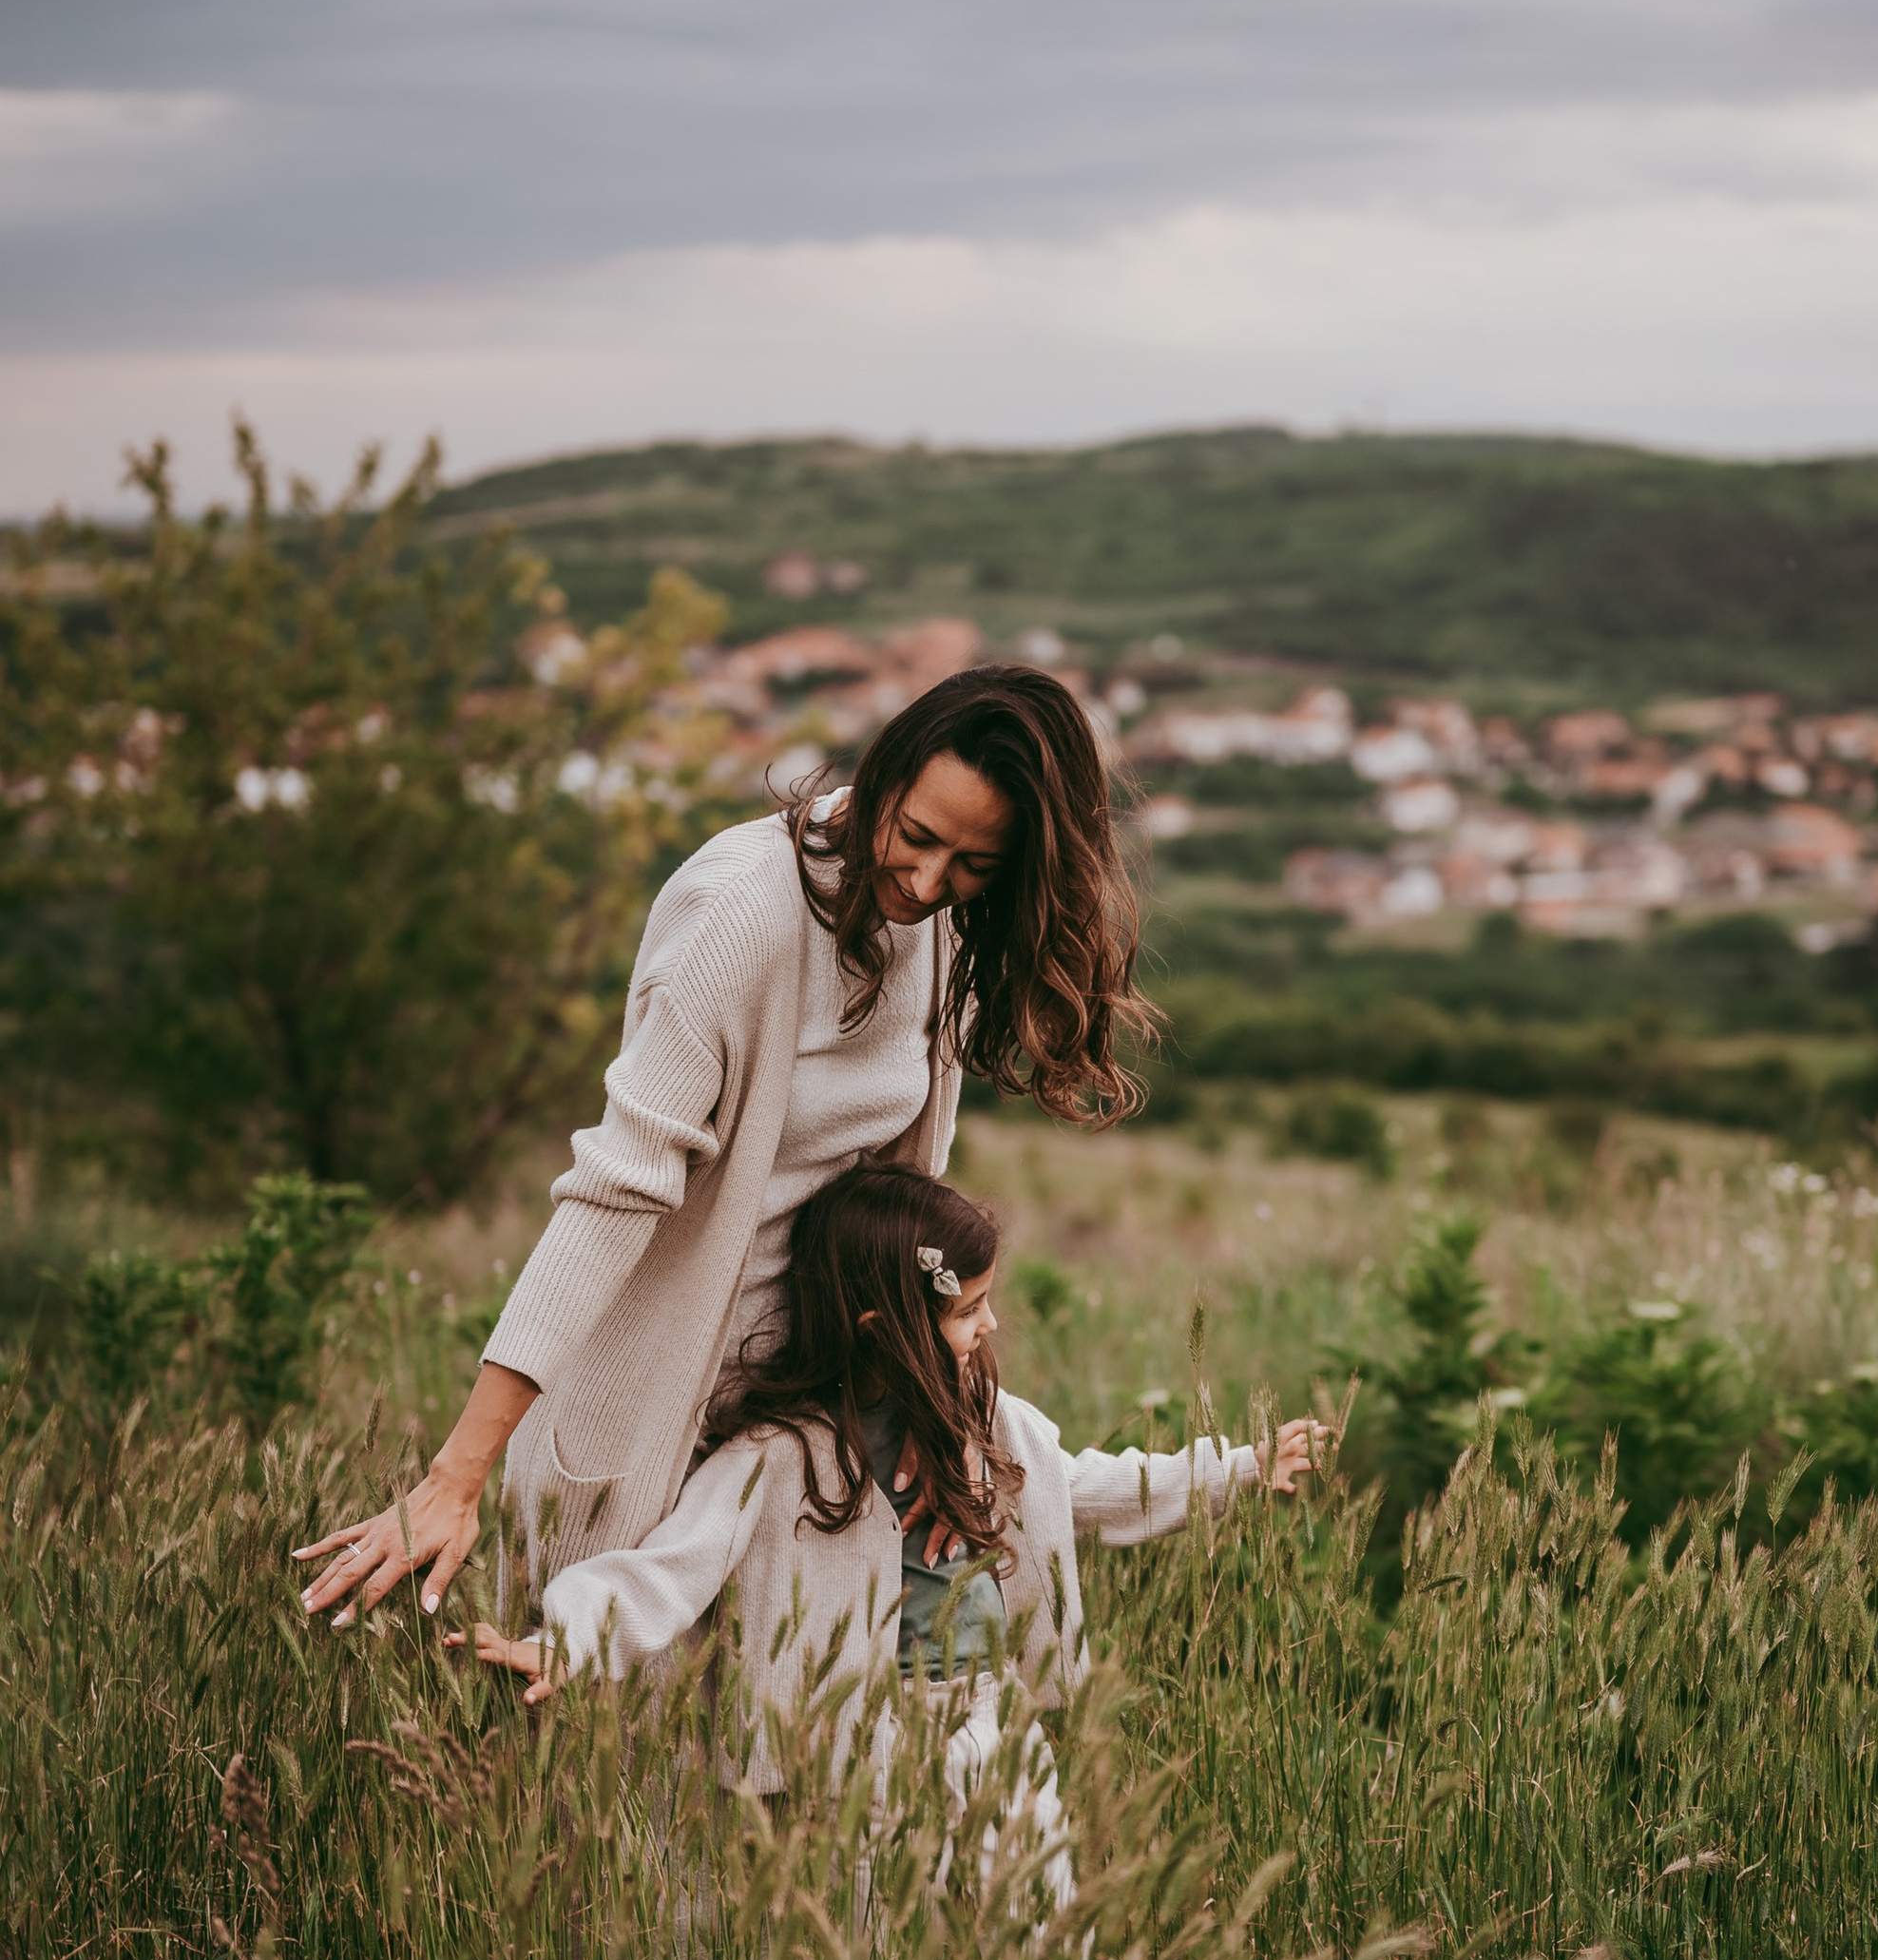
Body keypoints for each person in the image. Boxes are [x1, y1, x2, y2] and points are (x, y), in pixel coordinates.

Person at [295, 665, 1151, 1628]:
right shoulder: (740, 911)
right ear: (885, 772)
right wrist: (455, 1475)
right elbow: (615, 1190)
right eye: (914, 836)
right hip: (658, 1420)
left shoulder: (937, 930)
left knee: (796, 1755)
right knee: (606, 1749)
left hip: (815, 1435)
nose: (923, 882)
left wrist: (920, 1394)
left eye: (972, 865)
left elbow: (899, 1205)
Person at [461, 1163, 1323, 1892]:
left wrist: (1237, 1468)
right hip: (861, 1743)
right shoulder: (784, 1455)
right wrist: (569, 1638)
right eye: (966, 1309)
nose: (989, 1325)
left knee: (1041, 1935)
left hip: (991, 1720)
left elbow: (1081, 1485)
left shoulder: (982, 1418)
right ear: (885, 1328)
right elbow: (675, 1564)